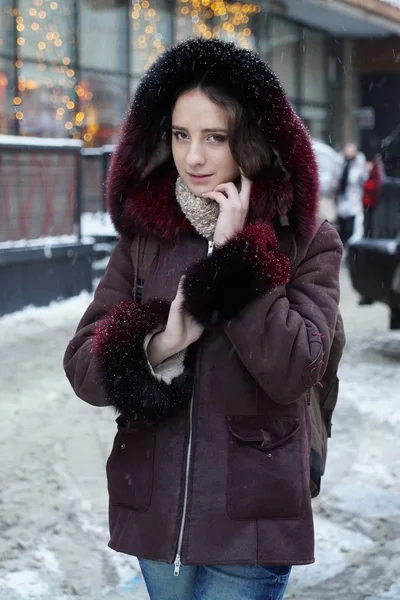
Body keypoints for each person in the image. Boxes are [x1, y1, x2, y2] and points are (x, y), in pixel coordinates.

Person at [64, 38, 343, 600]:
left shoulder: (308, 242)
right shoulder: (147, 238)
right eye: (180, 135)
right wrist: (160, 341)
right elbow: (82, 367)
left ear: (253, 139)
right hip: (154, 514)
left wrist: (241, 256)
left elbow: (294, 370)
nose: (193, 157)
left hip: (252, 522)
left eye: (215, 137)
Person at [335, 142, 368, 245]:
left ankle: (350, 250)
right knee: (342, 228)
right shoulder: (340, 163)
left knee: (351, 229)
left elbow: (363, 180)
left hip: (354, 200)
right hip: (341, 200)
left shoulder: (359, 165)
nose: (349, 153)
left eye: (351, 151)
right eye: (347, 151)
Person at [362, 154, 384, 239]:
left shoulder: (375, 174)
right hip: (367, 203)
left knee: (370, 222)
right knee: (367, 222)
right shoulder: (370, 174)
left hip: (371, 203)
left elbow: (375, 187)